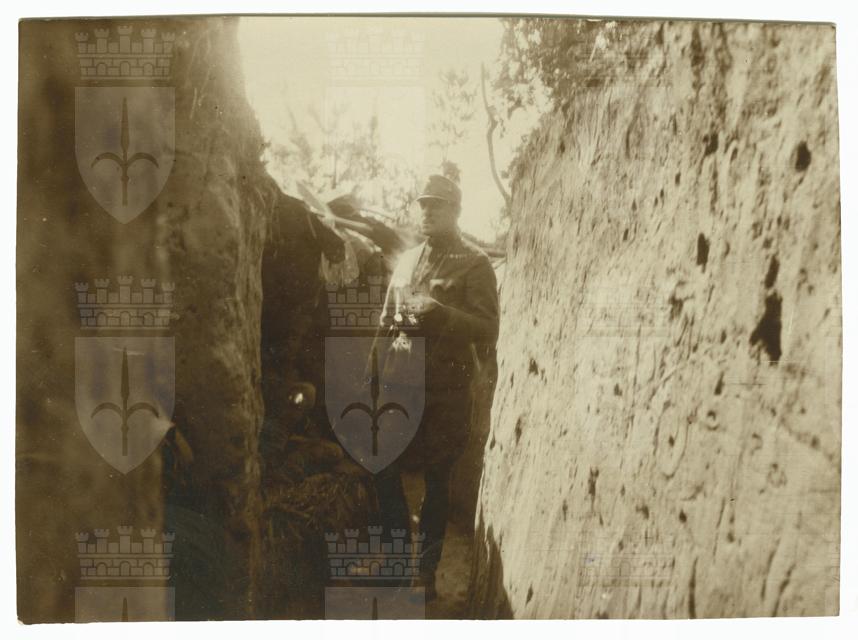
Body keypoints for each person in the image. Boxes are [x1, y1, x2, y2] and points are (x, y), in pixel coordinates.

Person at [375, 174, 499, 600]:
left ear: (456, 211)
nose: (428, 211)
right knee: (382, 467)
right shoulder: (408, 260)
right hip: (401, 383)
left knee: (437, 479)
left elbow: (488, 328)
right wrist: (373, 374)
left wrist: (441, 312)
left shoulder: (475, 263)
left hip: (447, 390)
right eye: (424, 204)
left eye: (438, 205)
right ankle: (396, 563)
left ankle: (424, 575)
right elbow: (387, 320)